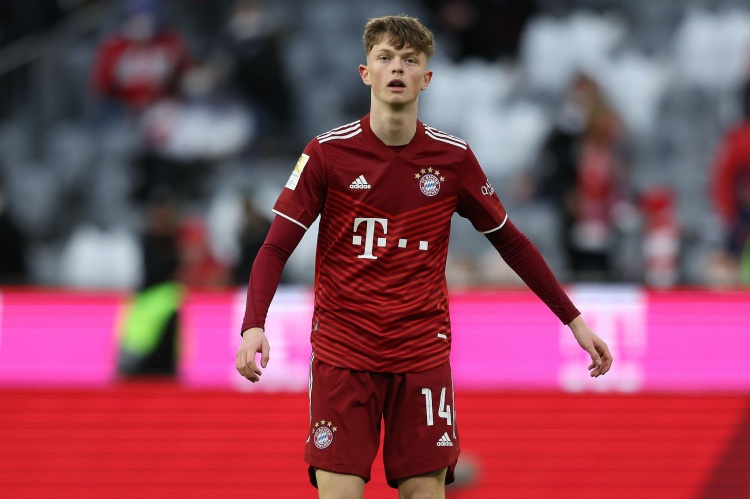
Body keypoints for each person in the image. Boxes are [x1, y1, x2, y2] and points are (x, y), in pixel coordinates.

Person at [236, 15, 612, 498]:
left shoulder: (452, 159)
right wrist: (253, 325)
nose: (397, 68)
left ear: (426, 78)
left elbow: (511, 242)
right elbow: (275, 247)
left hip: (421, 357)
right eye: (385, 58)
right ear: (366, 73)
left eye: (410, 60)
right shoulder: (327, 154)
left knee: (424, 492)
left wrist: (574, 321)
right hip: (343, 356)